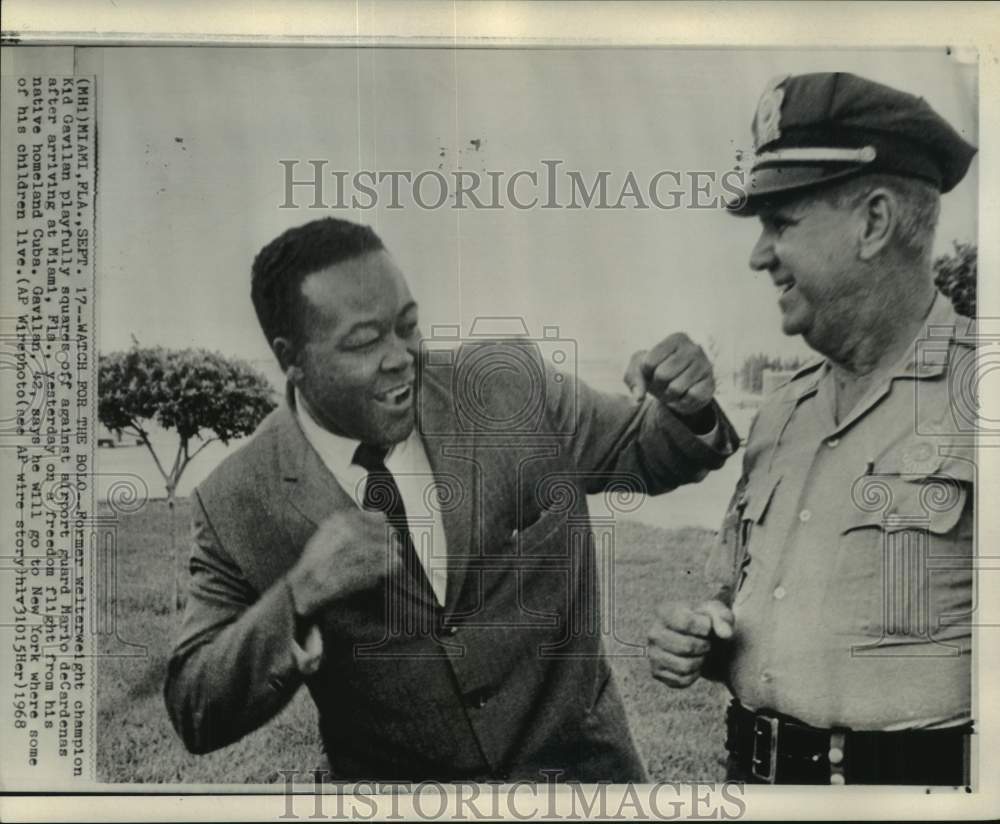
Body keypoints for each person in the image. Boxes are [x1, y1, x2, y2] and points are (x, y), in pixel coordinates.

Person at [164, 216, 739, 781]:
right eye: (364, 341)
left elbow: (650, 450)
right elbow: (195, 707)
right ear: (293, 359)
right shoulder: (236, 498)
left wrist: (686, 406)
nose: (401, 356)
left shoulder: (508, 386)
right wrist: (299, 596)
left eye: (407, 325)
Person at [647, 72, 978, 785]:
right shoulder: (783, 412)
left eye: (782, 224)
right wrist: (702, 632)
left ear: (874, 223)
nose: (759, 255)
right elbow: (737, 599)